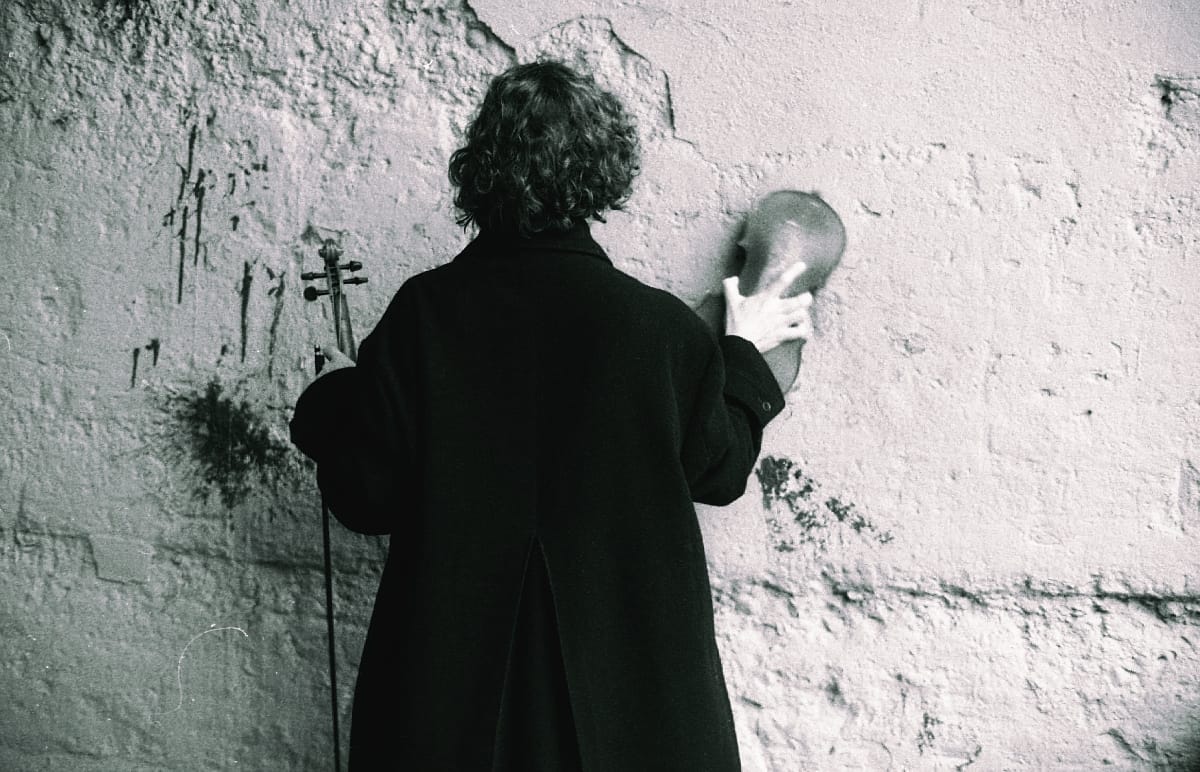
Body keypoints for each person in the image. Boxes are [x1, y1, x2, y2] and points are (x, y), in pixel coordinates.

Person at [290, 60, 813, 771]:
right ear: (604, 174)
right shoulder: (656, 330)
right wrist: (744, 353)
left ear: (482, 167)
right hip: (631, 706)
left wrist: (327, 407)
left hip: (451, 710)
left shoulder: (426, 315)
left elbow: (365, 494)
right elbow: (718, 469)